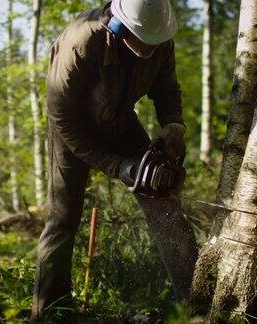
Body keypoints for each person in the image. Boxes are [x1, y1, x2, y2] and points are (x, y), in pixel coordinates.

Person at [31, 0, 198, 320]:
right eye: (143, 41)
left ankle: (194, 300)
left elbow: (166, 89)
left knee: (162, 198)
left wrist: (173, 125)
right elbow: (61, 115)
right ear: (122, 27)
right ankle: (49, 312)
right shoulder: (82, 41)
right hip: (72, 128)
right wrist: (115, 165)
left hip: (120, 119)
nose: (149, 48)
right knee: (63, 217)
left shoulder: (161, 38)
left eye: (155, 41)